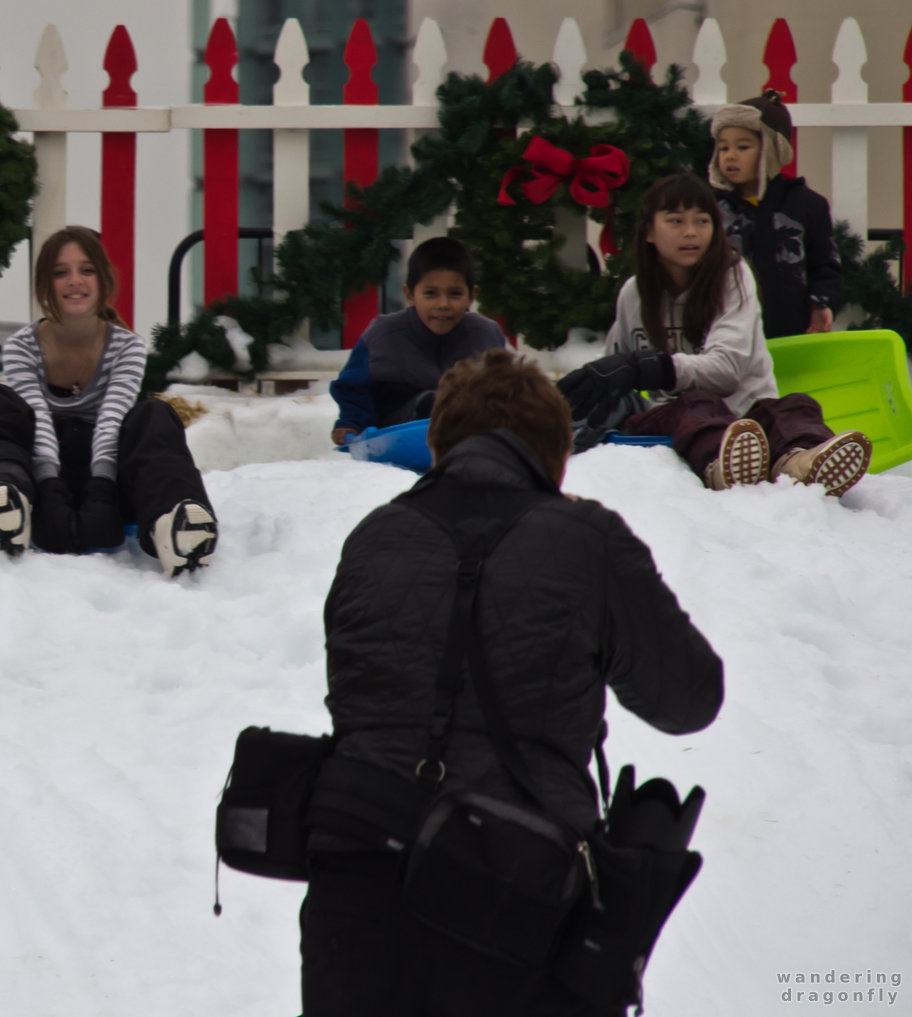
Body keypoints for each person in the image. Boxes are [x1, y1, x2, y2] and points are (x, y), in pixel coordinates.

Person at [302, 349, 724, 1017]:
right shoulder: (586, 537)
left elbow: (355, 696)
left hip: (354, 895)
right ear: (558, 457)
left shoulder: (374, 537)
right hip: (515, 898)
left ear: (437, 446)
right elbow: (691, 699)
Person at [560, 173, 870, 494]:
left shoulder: (733, 278)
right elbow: (615, 371)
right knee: (694, 405)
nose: (691, 232)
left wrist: (652, 368)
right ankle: (723, 469)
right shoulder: (634, 293)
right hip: (676, 423)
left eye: (703, 221)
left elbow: (726, 371)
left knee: (793, 407)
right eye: (676, 221)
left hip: (748, 417)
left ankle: (801, 465)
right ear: (649, 231)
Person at [0, 226, 217, 578]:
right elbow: (38, 418)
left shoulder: (127, 348)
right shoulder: (23, 346)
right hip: (35, 476)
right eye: (61, 272)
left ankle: (175, 521)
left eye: (86, 270)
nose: (74, 281)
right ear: (45, 285)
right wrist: (49, 489)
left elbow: (112, 421)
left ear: (103, 280)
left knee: (155, 413)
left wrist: (102, 491)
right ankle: (4, 507)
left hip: (108, 478)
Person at [329, 236, 505, 445]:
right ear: (410, 294)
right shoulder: (383, 336)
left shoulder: (486, 335)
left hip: (468, 431)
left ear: (471, 295)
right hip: (398, 434)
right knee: (433, 402)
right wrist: (353, 423)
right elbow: (352, 387)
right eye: (430, 293)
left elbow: (503, 390)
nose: (443, 304)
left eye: (455, 294)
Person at [708, 90, 843, 339]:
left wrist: (821, 304)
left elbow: (825, 267)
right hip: (726, 338)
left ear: (772, 150)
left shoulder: (806, 205)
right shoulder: (711, 209)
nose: (730, 155)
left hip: (791, 335)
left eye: (743, 146)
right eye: (723, 147)